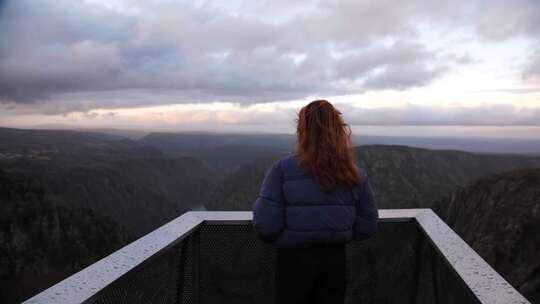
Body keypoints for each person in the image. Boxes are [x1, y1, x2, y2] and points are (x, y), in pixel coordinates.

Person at [252, 99, 379, 304]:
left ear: (302, 130)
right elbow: (368, 225)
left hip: (292, 262)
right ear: (338, 130)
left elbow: (266, 225)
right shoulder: (354, 174)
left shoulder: (282, 170)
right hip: (335, 261)